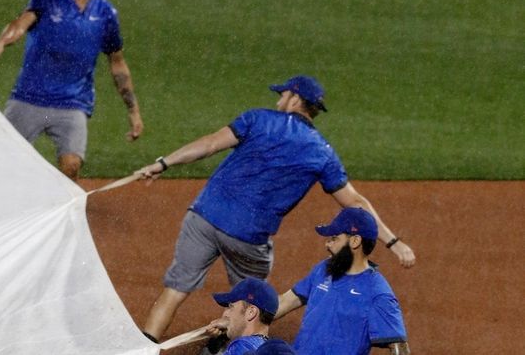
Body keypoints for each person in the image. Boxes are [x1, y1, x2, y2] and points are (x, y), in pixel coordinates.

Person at [136, 75, 416, 341]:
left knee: (174, 291)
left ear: (295, 99)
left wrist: (163, 163)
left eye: (283, 94)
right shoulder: (321, 152)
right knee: (249, 307)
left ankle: (145, 346)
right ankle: (225, 348)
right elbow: (356, 203)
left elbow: (209, 144)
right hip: (248, 237)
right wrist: (393, 242)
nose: (279, 99)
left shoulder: (257, 118)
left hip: (204, 217)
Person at [0, 0, 143, 180]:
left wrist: (133, 111)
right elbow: (20, 24)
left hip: (72, 104)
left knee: (71, 167)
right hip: (29, 98)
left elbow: (117, 63)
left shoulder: (106, 14)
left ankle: (56, 216)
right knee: (1, 162)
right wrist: (1, 42)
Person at [274, 207, 410, 354]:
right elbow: (286, 301)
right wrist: (251, 318)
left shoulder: (376, 291)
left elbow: (400, 349)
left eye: (334, 239)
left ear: (355, 241)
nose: (327, 244)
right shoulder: (323, 269)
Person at [203, 277, 295, 355]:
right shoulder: (270, 348)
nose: (225, 314)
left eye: (231, 307)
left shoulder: (240, 346)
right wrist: (219, 339)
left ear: (251, 312)